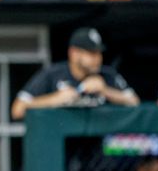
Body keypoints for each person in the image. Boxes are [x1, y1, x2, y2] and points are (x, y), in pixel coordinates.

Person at [11, 27, 139, 121]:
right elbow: (17, 110)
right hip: (61, 147)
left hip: (100, 148)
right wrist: (55, 99)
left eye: (99, 53)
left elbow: (134, 102)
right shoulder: (53, 74)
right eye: (91, 53)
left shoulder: (107, 74)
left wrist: (105, 90)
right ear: (74, 53)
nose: (98, 58)